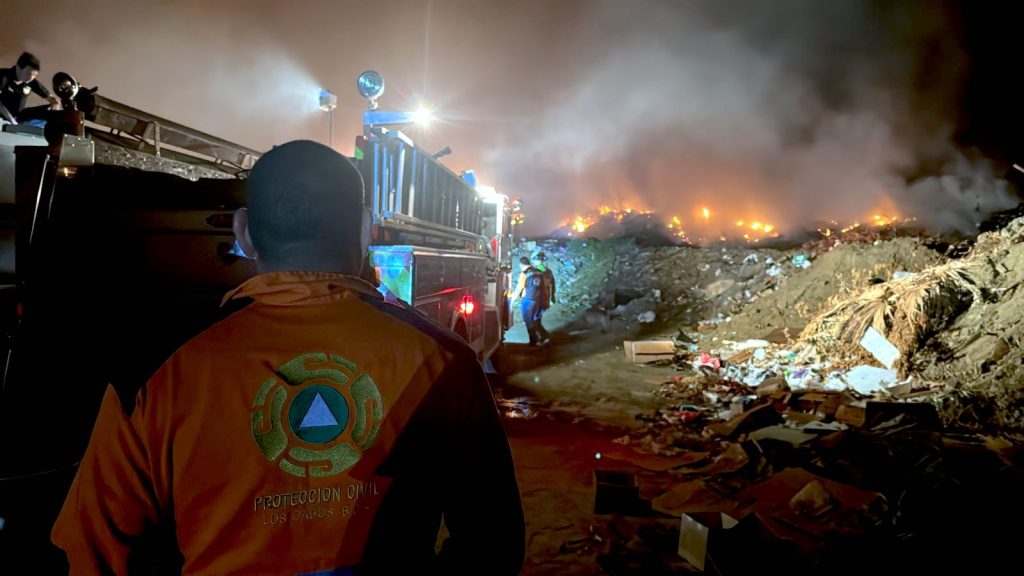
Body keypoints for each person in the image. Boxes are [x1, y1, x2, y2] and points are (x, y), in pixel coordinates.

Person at [51, 140, 525, 575]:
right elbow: (493, 543)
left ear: (244, 232)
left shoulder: (152, 374)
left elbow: (88, 555)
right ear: (365, 229)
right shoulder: (444, 362)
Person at [0, 52, 60, 123]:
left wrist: (55, 104)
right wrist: (12, 120)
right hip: (3, 116)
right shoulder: (2, 76)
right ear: (18, 68)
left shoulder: (30, 81)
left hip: (18, 117)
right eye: (28, 73)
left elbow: (53, 100)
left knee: (49, 110)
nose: (31, 78)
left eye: (35, 75)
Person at [511, 256, 551, 346]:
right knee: (536, 319)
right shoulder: (539, 272)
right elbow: (545, 286)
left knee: (528, 320)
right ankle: (544, 335)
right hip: (539, 300)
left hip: (529, 300)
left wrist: (512, 299)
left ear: (521, 265)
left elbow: (518, 288)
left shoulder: (524, 274)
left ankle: (533, 341)